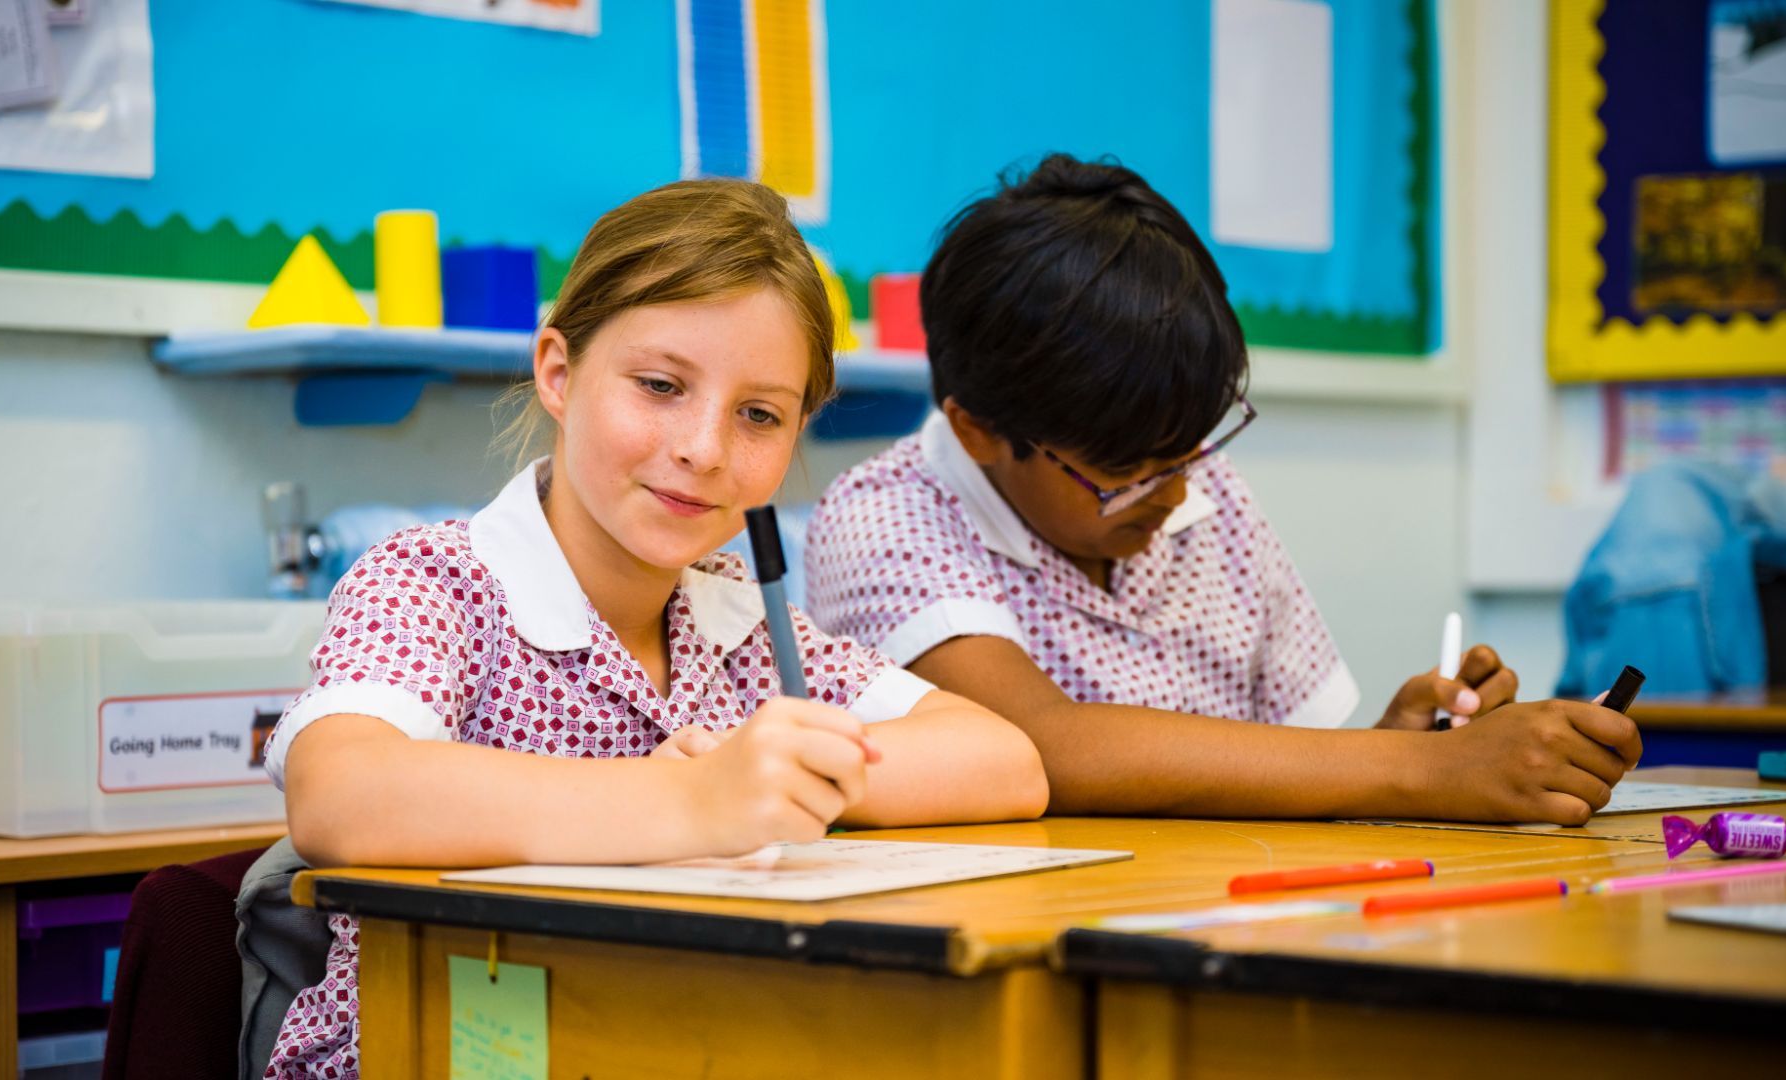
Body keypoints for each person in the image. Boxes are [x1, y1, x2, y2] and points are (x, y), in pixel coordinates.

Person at [260, 178, 1049, 1078]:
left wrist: (781, 779)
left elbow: (1002, 759)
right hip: (447, 1045)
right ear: (558, 373)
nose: (706, 449)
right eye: (661, 386)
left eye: (759, 415)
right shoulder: (441, 582)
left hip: (672, 1036)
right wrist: (694, 801)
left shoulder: (737, 617)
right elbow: (339, 791)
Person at [805, 153, 1640, 825]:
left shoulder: (1200, 485)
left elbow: (1290, 762)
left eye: (1191, 451)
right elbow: (1042, 747)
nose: (1174, 497)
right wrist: (1425, 771)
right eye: (1127, 475)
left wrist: (1407, 741)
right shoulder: (887, 516)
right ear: (979, 431)